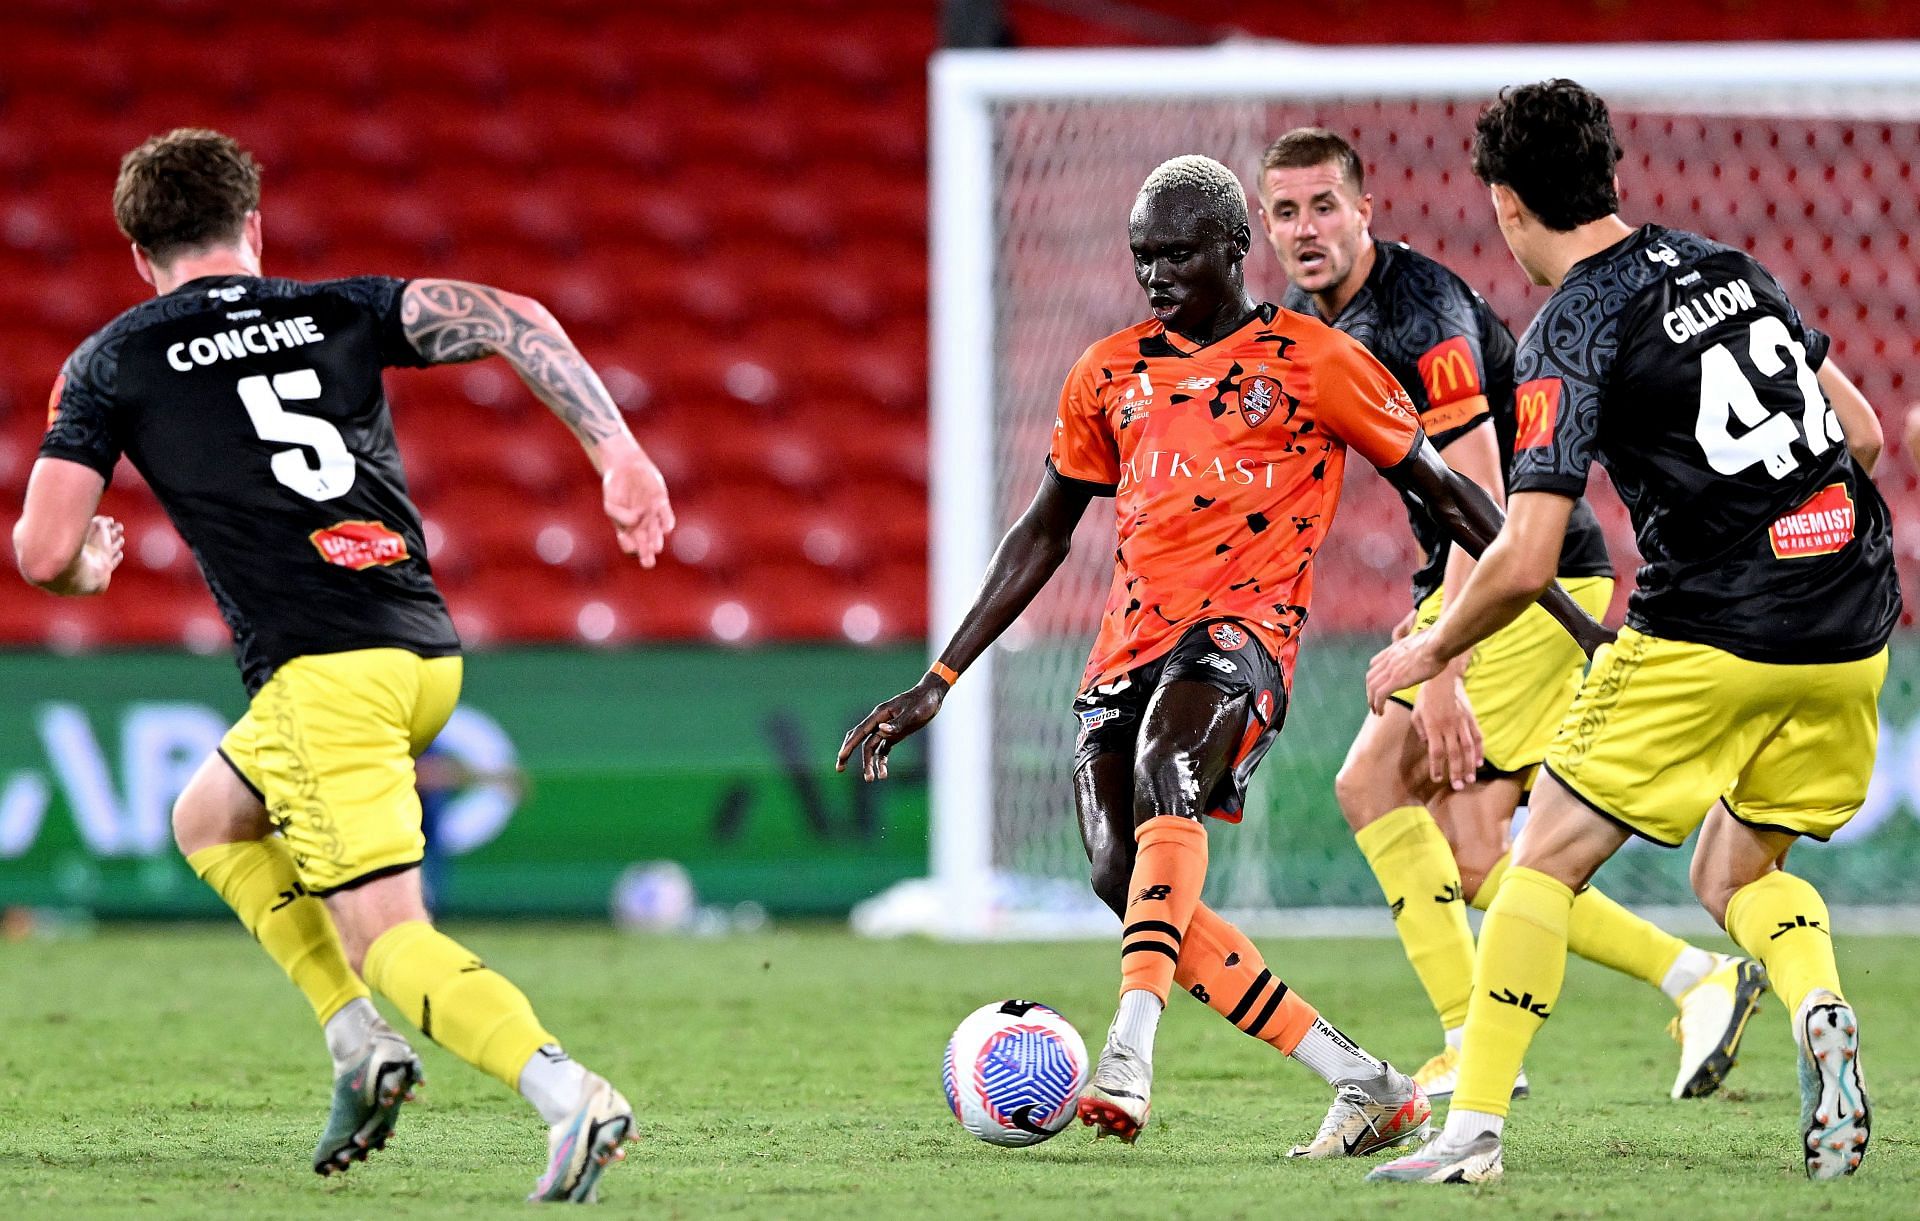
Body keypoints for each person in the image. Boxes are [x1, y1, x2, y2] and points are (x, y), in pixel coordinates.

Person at [839, 154, 1606, 1157]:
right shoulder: (1107, 372)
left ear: (1234, 249)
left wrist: (1567, 614)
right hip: (1128, 646)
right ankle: (1363, 1080)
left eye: (1176, 255)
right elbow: (1041, 533)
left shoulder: (1316, 359)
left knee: (1170, 770)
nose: (1155, 276)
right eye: (1141, 258)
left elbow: (1452, 495)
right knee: (1124, 880)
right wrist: (938, 679)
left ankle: (1130, 1044)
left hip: (1246, 638)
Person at [13, 129, 675, 1202]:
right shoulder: (340, 306)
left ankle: (568, 1094)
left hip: (324, 672)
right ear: (255, 230)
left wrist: (87, 569)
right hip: (420, 651)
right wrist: (619, 453)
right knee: (208, 818)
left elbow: (42, 552)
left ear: (139, 254)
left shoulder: (112, 359)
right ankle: (359, 1043)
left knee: (388, 939)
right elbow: (516, 318)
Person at [1364, 81, 1894, 1184]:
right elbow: (1868, 436)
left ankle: (1471, 1136)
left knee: (1536, 864)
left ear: (1508, 205)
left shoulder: (1575, 325)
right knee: (1734, 869)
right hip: (1852, 618)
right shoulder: (1732, 266)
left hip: (1710, 629)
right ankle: (1820, 1003)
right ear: (1611, 174)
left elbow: (1523, 552)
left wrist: (1428, 650)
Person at [1255, 127, 1763, 1103]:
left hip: (1524, 576)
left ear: (1366, 211)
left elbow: (1481, 498)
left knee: (1377, 789)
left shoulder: (1418, 316)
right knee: (1474, 851)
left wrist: (1443, 666)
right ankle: (1692, 979)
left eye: (1325, 205)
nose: (1307, 227)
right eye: (1286, 211)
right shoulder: (1311, 323)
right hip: (1473, 581)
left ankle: (1486, 1036)